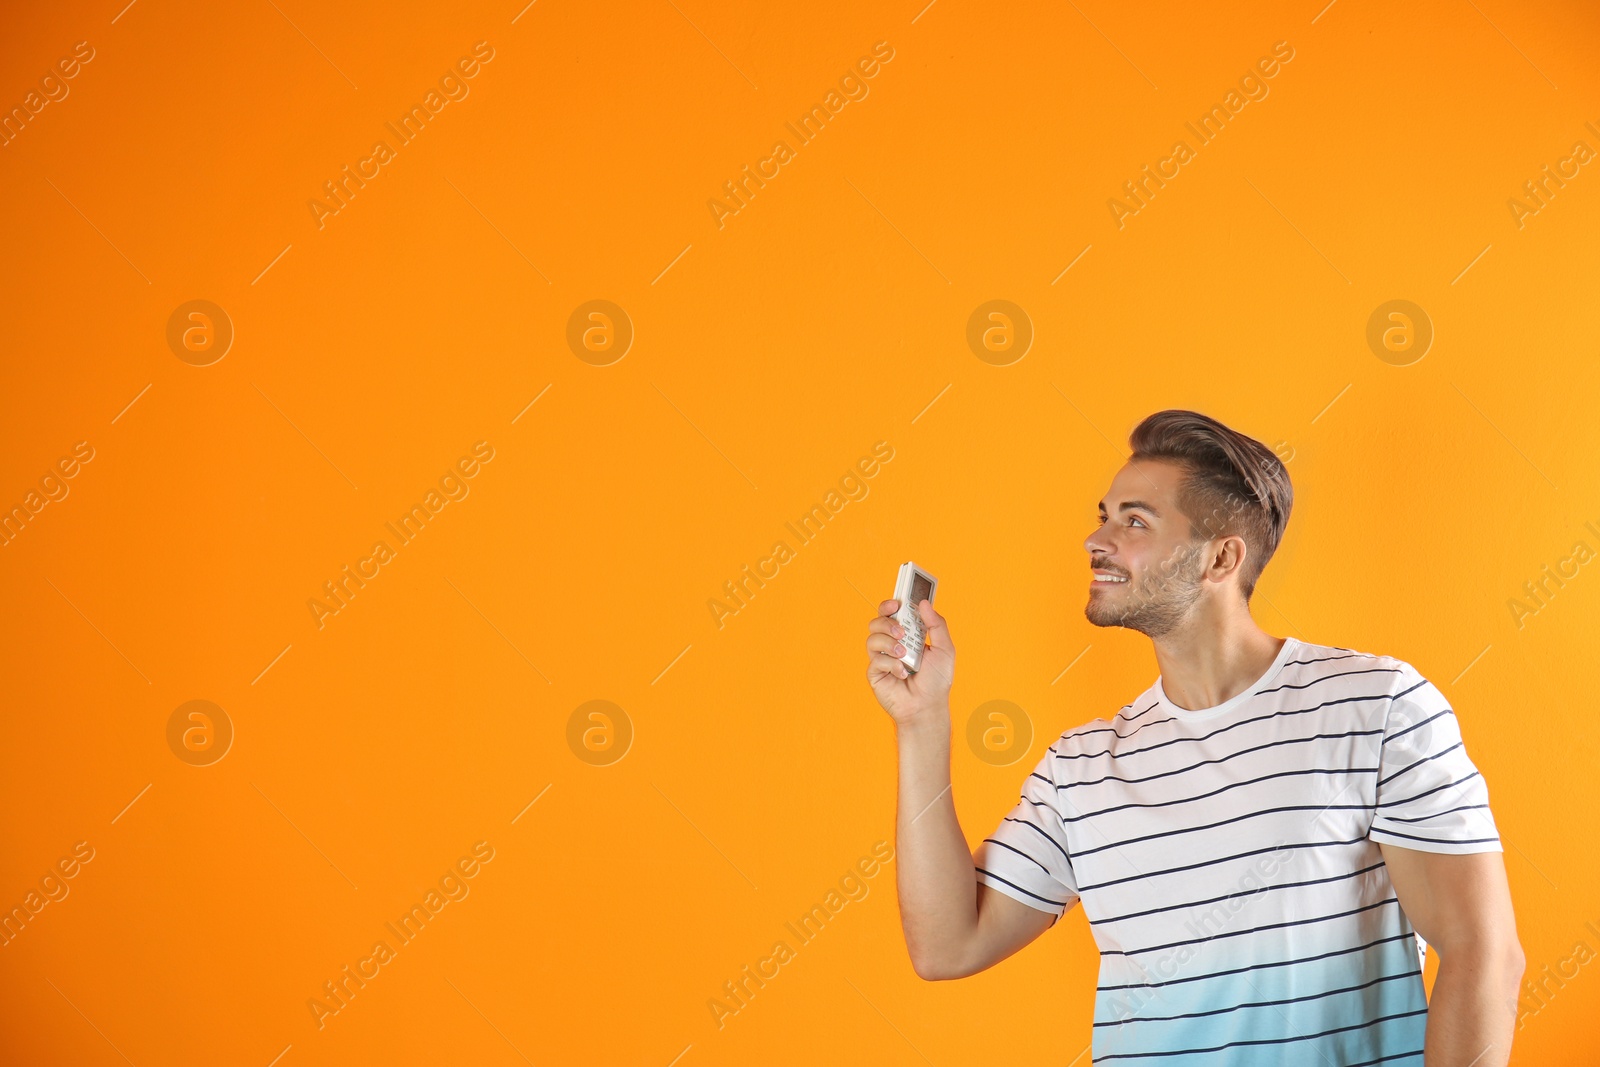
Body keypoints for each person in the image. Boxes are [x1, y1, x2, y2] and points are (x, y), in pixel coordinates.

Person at [865, 409, 1523, 1066]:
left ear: (1220, 557)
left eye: (1134, 521)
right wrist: (922, 723)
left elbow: (1482, 952)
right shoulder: (1081, 767)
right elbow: (947, 944)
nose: (1096, 539)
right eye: (1104, 515)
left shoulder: (1376, 705)